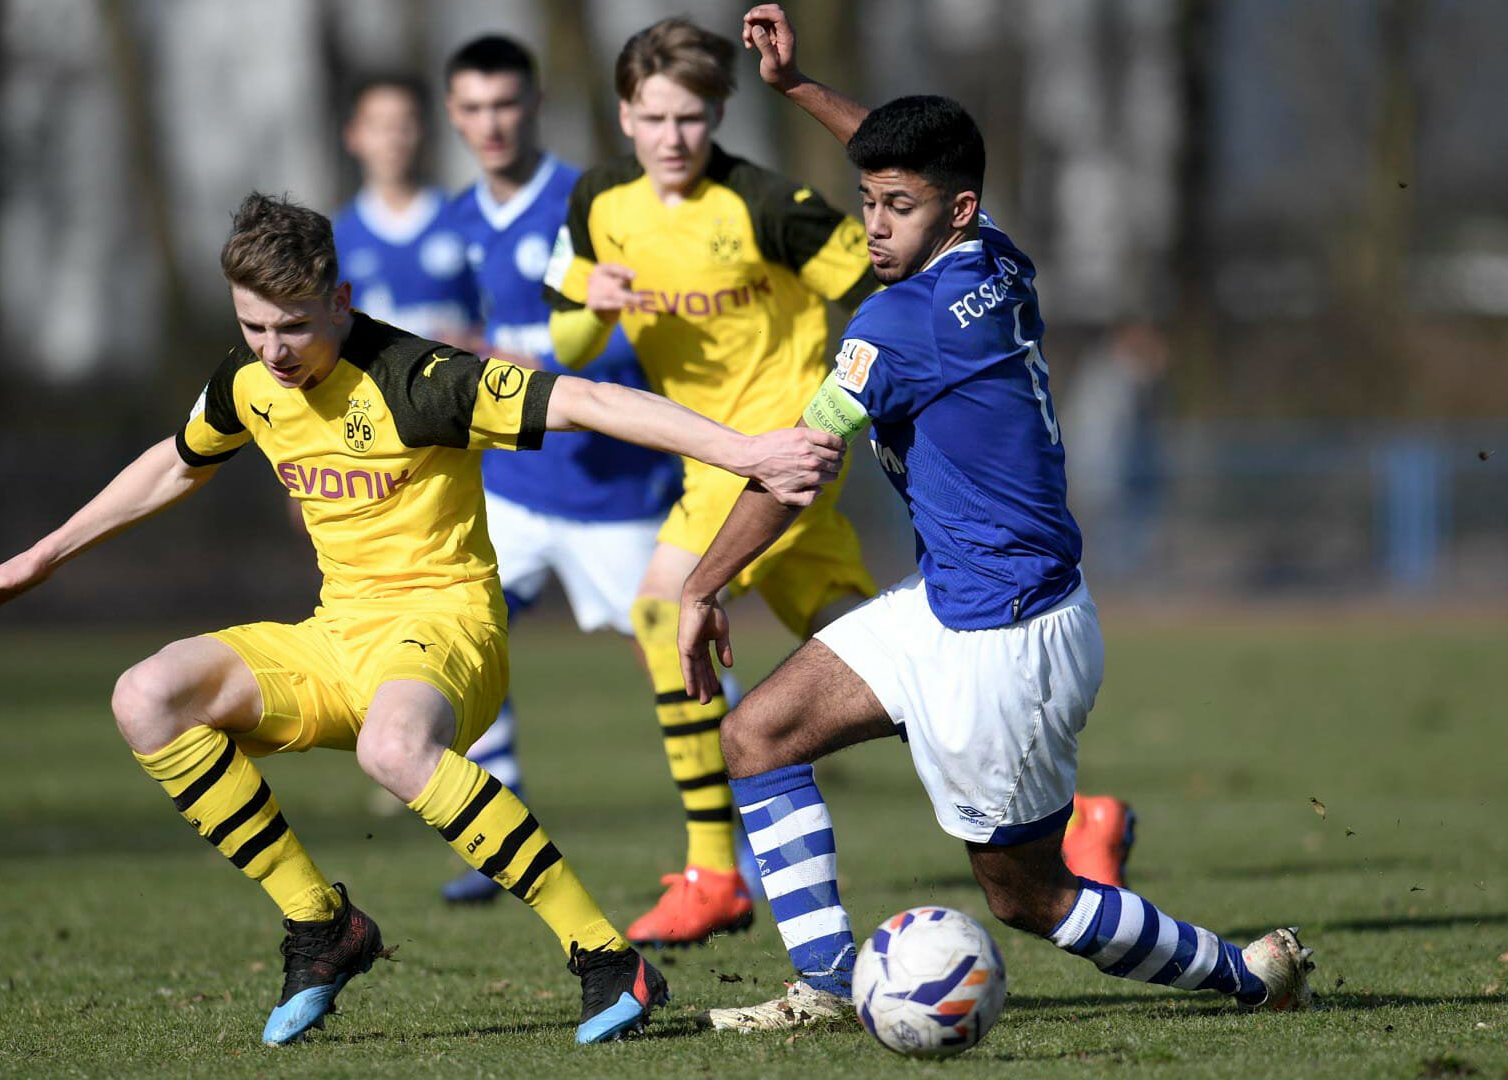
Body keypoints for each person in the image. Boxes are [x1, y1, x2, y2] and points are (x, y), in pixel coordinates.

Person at [0, 192, 845, 1046]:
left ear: (341, 299)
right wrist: (38, 559)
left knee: (391, 750)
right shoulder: (250, 380)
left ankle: (608, 960)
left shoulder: (420, 379)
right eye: (251, 327)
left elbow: (592, 401)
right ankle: (321, 924)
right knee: (146, 696)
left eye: (293, 325)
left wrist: (747, 451)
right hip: (338, 637)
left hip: (448, 633)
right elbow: (175, 462)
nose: (272, 350)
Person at [680, 6, 1316, 1032]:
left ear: (956, 210)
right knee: (758, 734)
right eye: (867, 202)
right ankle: (830, 986)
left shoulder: (899, 326)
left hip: (1007, 642)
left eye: (897, 208)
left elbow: (795, 470)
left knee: (1027, 899)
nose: (875, 224)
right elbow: (905, 155)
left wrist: (700, 586)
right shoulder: (995, 259)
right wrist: (798, 88)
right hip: (953, 602)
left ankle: (1246, 977)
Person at [538, 14, 881, 949]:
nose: (672, 138)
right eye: (653, 118)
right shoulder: (598, 204)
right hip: (715, 460)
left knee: (662, 612)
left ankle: (714, 873)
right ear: (623, 116)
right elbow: (565, 346)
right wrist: (589, 307)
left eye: (690, 117)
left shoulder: (769, 204)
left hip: (785, 453)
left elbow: (887, 285)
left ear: (720, 110)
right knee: (886, 661)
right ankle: (1075, 816)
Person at [430, 34, 687, 905]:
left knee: (686, 661)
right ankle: (493, 819)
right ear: (455, 116)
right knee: (452, 637)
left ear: (534, 103)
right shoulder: (457, 222)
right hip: (509, 488)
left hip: (612, 493)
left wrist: (509, 351)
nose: (490, 123)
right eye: (472, 108)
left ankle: (745, 835)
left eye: (505, 104)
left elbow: (632, 330)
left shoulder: (596, 202)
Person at [333, 74, 474, 342]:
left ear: (423, 130)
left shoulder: (464, 220)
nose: (392, 139)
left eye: (403, 124)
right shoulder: (337, 237)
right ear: (353, 135)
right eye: (378, 126)